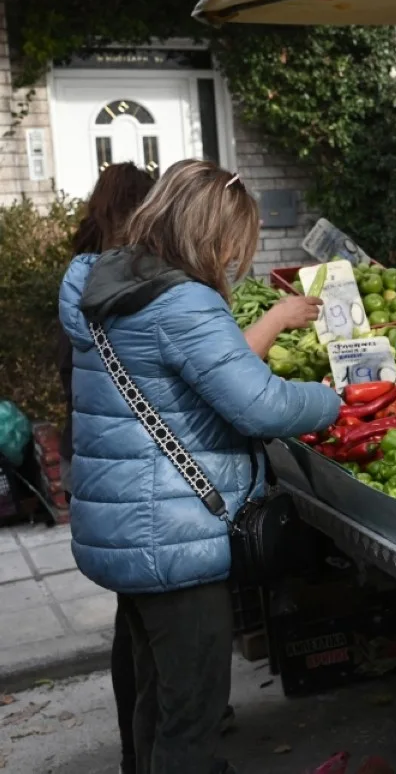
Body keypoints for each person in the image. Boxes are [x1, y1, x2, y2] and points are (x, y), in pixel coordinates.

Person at [59, 159, 341, 774]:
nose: (236, 258)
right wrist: (333, 400)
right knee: (192, 714)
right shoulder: (181, 301)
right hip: (173, 541)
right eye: (235, 244)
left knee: (155, 699)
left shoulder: (104, 282)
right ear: (211, 236)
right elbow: (261, 403)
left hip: (126, 528)